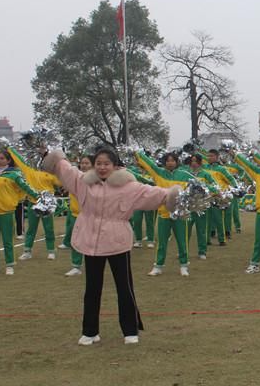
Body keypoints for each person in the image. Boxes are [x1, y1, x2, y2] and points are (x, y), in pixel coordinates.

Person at [43, 147, 180, 345]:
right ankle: (90, 332)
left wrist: (173, 196)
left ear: (115, 166)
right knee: (92, 288)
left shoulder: (129, 186)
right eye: (98, 163)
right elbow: (65, 169)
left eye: (106, 163)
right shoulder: (83, 182)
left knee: (124, 287)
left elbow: (153, 193)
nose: (102, 167)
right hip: (91, 242)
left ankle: (130, 330)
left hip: (117, 242)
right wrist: (54, 157)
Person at [136, 151, 192, 276]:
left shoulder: (185, 175)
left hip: (180, 214)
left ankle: (184, 266)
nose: (170, 163)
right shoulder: (158, 173)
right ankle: (158, 266)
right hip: (164, 213)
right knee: (162, 242)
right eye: (168, 161)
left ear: (177, 162)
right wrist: (136, 152)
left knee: (182, 241)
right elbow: (148, 163)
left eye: (173, 160)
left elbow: (198, 186)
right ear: (164, 162)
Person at [6, 144, 62, 261]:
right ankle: (27, 251)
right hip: (33, 202)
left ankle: (51, 250)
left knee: (49, 228)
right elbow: (19, 160)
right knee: (31, 228)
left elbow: (61, 183)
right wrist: (9, 148)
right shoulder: (28, 171)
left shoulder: (51, 174)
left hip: (47, 203)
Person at [62, 155, 93, 276]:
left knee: (90, 240)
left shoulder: (96, 179)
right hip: (75, 214)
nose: (84, 165)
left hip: (90, 216)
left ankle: (93, 263)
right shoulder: (75, 177)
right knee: (75, 240)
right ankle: (76, 266)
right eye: (82, 163)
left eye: (87, 163)